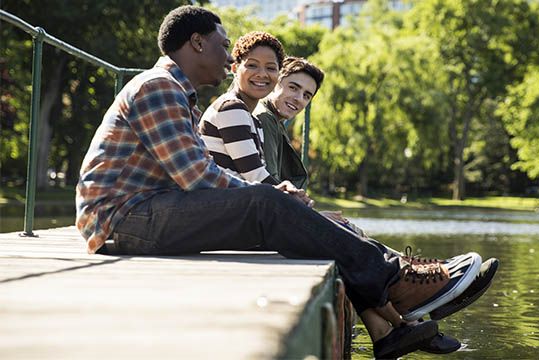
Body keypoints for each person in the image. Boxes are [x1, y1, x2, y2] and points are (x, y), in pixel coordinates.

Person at [76, 6, 486, 359]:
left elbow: (197, 174)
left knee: (294, 221)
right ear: (196, 43)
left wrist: (278, 201)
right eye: (223, 44)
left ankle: (390, 324)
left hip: (146, 211)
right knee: (270, 204)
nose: (228, 55)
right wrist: (273, 198)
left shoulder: (178, 92)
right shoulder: (159, 87)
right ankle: (399, 282)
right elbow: (196, 176)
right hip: (122, 218)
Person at [254, 56, 502, 354]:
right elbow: (268, 187)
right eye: (293, 88)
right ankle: (410, 306)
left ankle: (396, 323)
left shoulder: (274, 122)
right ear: (276, 82)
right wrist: (312, 216)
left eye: (307, 95)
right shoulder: (265, 120)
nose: (299, 99)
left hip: (275, 219)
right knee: (348, 243)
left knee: (350, 237)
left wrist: (312, 214)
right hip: (267, 225)